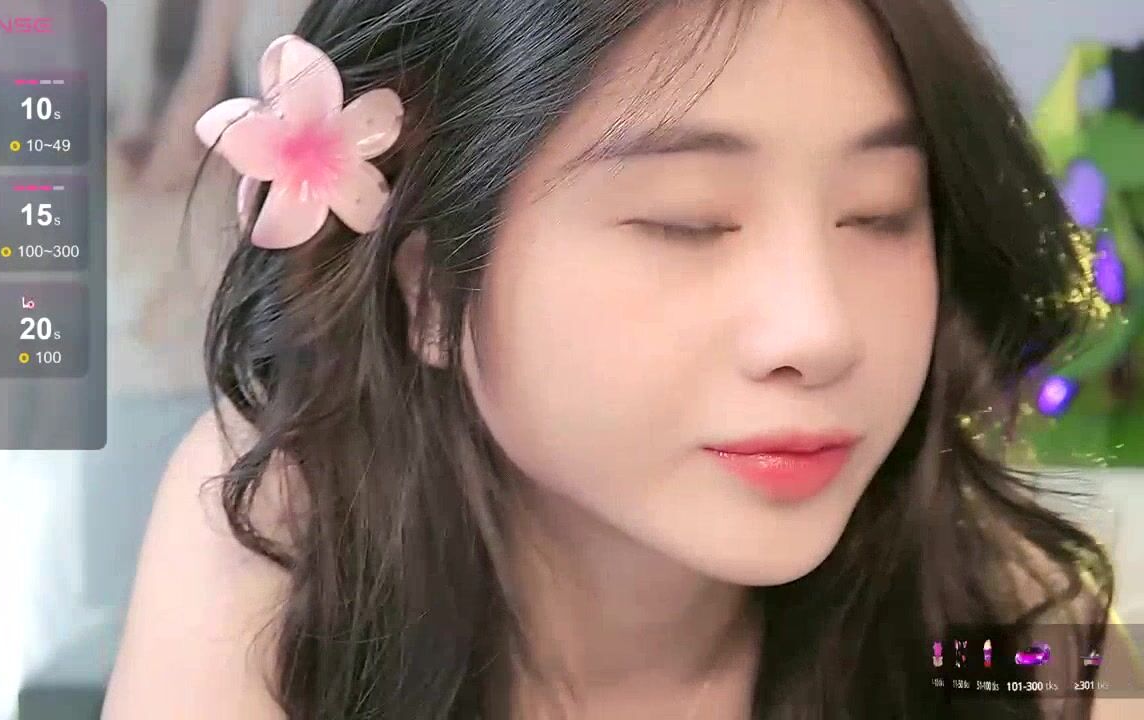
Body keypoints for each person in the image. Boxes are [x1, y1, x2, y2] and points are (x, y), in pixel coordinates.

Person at [103, 0, 1143, 717]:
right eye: (687, 223)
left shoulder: (999, 612)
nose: (817, 331)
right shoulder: (282, 536)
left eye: (878, 215)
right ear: (426, 289)